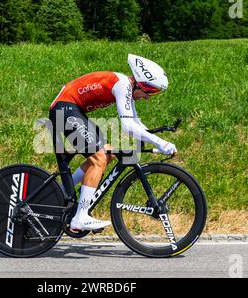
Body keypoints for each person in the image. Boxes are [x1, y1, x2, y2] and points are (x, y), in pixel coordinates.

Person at [48, 54, 177, 231]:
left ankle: (60, 192)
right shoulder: (123, 84)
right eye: (150, 92)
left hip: (71, 109)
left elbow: (135, 122)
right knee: (99, 158)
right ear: (140, 83)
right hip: (65, 108)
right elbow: (128, 126)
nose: (148, 97)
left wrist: (155, 138)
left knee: (106, 154)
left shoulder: (127, 87)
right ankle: (80, 217)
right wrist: (161, 143)